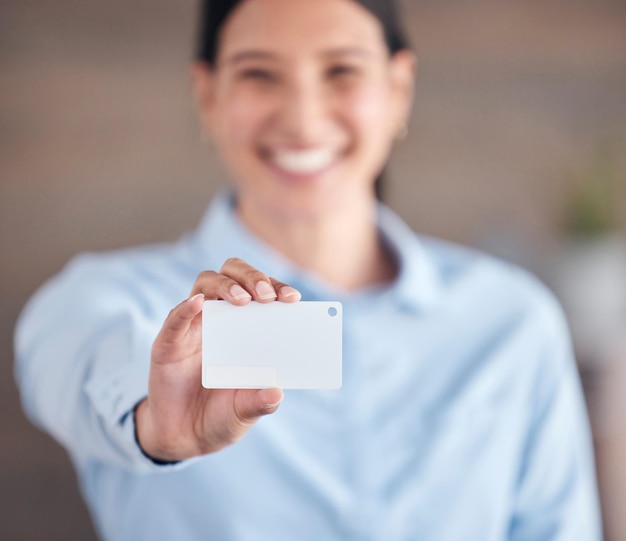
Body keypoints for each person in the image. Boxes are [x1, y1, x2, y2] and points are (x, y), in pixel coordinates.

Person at [14, 0, 602, 539]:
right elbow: (73, 363)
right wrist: (151, 427)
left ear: (398, 88)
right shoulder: (105, 300)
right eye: (258, 74)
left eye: (342, 70)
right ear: (207, 94)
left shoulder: (510, 319)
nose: (301, 118)